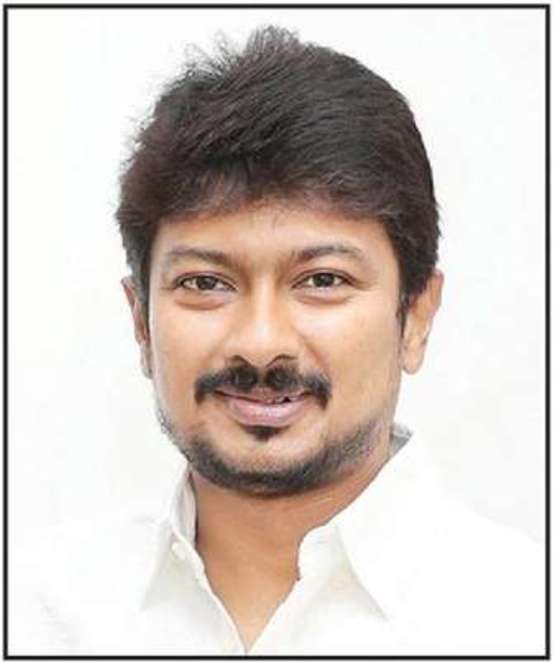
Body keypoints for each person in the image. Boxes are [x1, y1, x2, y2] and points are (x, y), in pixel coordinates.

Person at [10, 26, 543, 656]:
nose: (261, 345)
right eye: (205, 283)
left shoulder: (522, 618)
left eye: (323, 280)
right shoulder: (36, 617)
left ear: (417, 316)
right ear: (142, 323)